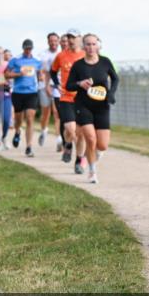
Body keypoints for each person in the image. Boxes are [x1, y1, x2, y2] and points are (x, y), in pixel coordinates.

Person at [66, 34, 119, 184]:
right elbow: (68, 86)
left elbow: (115, 78)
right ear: (83, 46)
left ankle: (92, 156)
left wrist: (111, 93)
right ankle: (92, 170)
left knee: (102, 145)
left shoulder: (105, 62)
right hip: (83, 105)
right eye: (88, 44)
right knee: (90, 138)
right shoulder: (78, 65)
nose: (91, 47)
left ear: (98, 46)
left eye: (93, 44)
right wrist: (80, 83)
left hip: (102, 106)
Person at [51, 30, 87, 170]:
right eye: (69, 37)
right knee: (70, 129)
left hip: (83, 99)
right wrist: (57, 84)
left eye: (74, 37)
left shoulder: (85, 55)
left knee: (81, 133)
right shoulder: (61, 56)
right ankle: (68, 144)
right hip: (66, 96)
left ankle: (79, 160)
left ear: (80, 39)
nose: (71, 40)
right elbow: (53, 71)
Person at [5, 39, 42, 157]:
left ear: (32, 48)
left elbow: (40, 75)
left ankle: (29, 147)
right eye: (26, 48)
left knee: (30, 118)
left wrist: (41, 77)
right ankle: (17, 132)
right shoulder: (15, 60)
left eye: (30, 48)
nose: (28, 50)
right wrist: (18, 74)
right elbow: (6, 74)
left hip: (32, 92)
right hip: (18, 92)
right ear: (23, 48)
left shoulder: (37, 61)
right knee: (18, 119)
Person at [37, 32, 61, 148]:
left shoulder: (62, 54)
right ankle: (43, 130)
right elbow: (39, 70)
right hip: (44, 86)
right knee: (46, 113)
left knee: (57, 113)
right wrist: (41, 79)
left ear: (59, 41)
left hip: (57, 86)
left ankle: (59, 140)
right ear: (48, 42)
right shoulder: (42, 55)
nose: (53, 43)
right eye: (51, 41)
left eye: (55, 41)